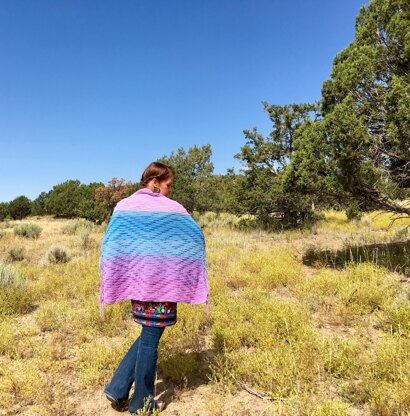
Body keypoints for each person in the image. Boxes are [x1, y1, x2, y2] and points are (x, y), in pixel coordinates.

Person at [99, 161, 209, 415]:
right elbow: (195, 235)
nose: (170, 190)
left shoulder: (124, 207)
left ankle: (117, 388)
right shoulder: (173, 210)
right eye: (168, 185)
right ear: (155, 182)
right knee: (150, 341)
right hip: (163, 286)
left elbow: (112, 242)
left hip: (139, 285)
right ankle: (142, 404)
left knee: (148, 334)